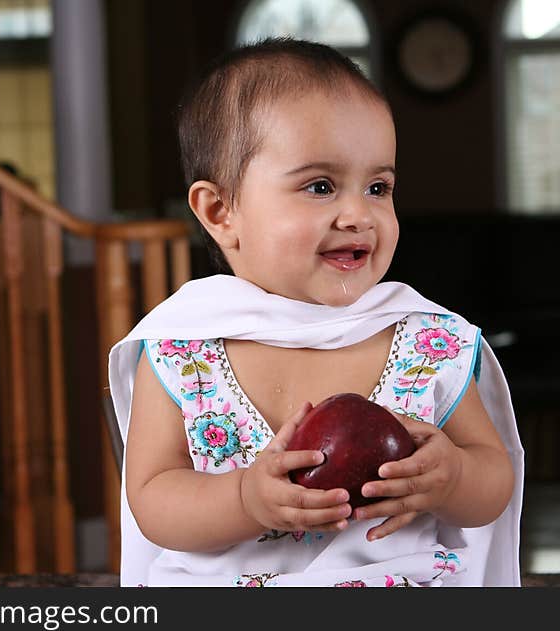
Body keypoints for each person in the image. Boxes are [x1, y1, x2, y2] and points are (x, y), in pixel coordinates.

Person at [109, 38, 524, 587]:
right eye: (321, 186)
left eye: (378, 187)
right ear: (220, 211)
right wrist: (244, 497)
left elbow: (495, 478)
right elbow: (153, 498)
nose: (359, 214)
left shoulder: (425, 341)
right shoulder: (184, 348)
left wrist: (453, 477)